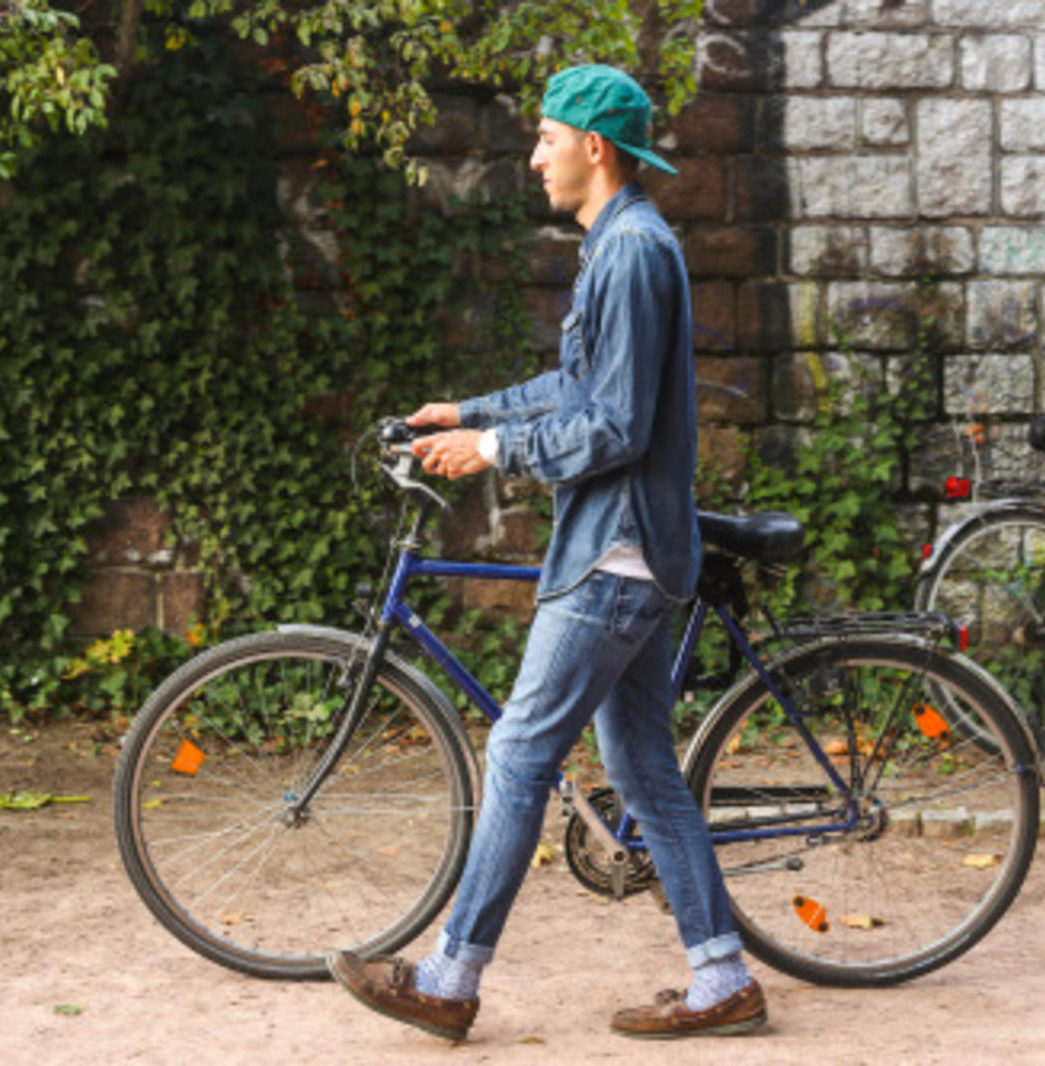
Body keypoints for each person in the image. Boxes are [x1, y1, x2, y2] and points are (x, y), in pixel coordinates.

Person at [326, 64, 766, 1042]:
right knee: (644, 763)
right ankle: (721, 978)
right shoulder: (620, 245)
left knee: (520, 749)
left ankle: (448, 977)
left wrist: (492, 449)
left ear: (593, 148)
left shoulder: (633, 255)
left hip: (617, 552)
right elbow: (577, 382)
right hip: (629, 545)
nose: (533, 158)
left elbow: (611, 426)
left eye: (545, 139)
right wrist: (470, 410)